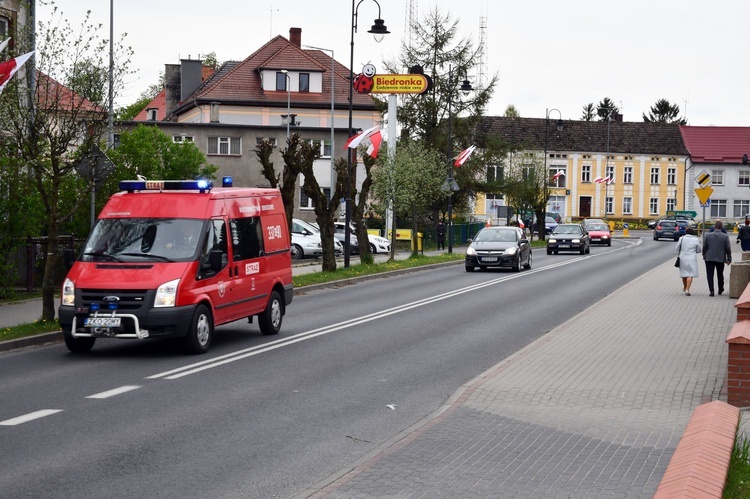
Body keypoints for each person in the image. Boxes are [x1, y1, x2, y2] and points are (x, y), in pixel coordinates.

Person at [703, 220, 732, 296]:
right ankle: (720, 289)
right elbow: (727, 248)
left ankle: (711, 291)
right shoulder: (725, 236)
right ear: (721, 227)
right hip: (720, 258)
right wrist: (729, 258)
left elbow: (705, 246)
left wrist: (704, 255)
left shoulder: (708, 235)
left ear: (714, 227)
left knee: (710, 274)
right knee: (720, 274)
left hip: (709, 258)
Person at [676, 227, 701, 296]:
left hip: (683, 257)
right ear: (693, 233)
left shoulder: (682, 238)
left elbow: (677, 248)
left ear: (685, 232)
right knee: (690, 274)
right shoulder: (696, 240)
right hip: (692, 258)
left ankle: (684, 286)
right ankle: (687, 289)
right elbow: (699, 250)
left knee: (684, 273)